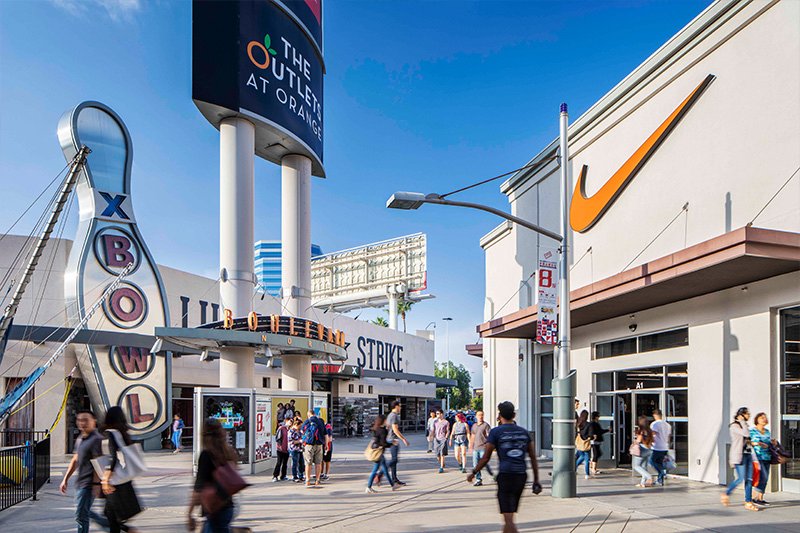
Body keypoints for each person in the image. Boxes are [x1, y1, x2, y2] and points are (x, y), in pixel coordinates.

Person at [467, 402, 541, 533]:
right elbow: (533, 458)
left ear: (499, 416)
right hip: (521, 476)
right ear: (514, 415)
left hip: (506, 475)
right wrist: (536, 480)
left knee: (508, 519)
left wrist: (474, 472)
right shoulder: (523, 432)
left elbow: (486, 457)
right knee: (510, 516)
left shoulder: (496, 432)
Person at [60, 409, 109, 533]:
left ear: (94, 421)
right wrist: (65, 479)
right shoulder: (81, 438)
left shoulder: (97, 439)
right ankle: (110, 525)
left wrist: (97, 485)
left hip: (89, 484)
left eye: (86, 420)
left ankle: (110, 526)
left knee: (80, 515)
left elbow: (99, 463)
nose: (82, 423)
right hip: (80, 482)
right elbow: (75, 460)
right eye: (79, 420)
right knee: (83, 512)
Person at [188, 418, 239, 532]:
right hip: (227, 505)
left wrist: (189, 513)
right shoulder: (229, 452)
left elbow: (198, 487)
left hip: (213, 507)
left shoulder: (206, 455)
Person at [101, 406, 139, 533]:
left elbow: (112, 458)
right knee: (112, 516)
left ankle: (131, 530)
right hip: (123, 479)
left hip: (114, 481)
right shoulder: (121, 433)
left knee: (113, 518)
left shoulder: (109, 433)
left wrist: (106, 479)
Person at [722, 407, 759, 511]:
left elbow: (747, 439)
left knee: (749, 479)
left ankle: (748, 501)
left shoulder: (744, 425)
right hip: (739, 456)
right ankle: (726, 493)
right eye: (747, 414)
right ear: (741, 415)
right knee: (741, 478)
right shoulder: (734, 426)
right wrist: (742, 421)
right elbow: (746, 434)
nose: (749, 416)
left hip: (747, 454)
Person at [365, 414, 399, 493]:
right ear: (383, 421)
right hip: (379, 453)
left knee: (385, 469)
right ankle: (368, 487)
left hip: (377, 451)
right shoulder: (383, 431)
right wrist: (392, 444)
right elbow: (383, 443)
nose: (387, 421)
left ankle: (393, 485)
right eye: (386, 420)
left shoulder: (376, 428)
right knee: (375, 470)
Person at [750, 412, 772, 506]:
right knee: (763, 477)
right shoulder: (752, 431)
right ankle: (755, 497)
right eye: (762, 417)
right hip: (757, 457)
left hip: (767, 456)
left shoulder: (767, 431)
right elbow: (748, 442)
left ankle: (760, 498)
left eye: (765, 417)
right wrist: (757, 443)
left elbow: (769, 443)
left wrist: (773, 443)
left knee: (765, 478)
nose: (764, 419)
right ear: (757, 420)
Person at [386, 400, 409, 486]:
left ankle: (394, 478)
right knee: (394, 459)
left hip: (390, 439)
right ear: (396, 406)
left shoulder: (389, 415)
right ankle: (381, 473)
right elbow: (395, 430)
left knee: (394, 460)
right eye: (399, 406)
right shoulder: (394, 416)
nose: (400, 408)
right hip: (393, 440)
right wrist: (403, 439)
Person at [301, 409, 326, 488]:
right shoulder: (321, 421)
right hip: (319, 444)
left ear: (308, 414)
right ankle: (317, 480)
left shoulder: (307, 421)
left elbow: (302, 431)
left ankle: (307, 480)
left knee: (308, 463)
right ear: (315, 414)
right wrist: (325, 444)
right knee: (318, 463)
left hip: (309, 444)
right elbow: (325, 434)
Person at [468, 410, 493, 486]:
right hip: (476, 448)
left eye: (482, 415)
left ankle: (491, 475)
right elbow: (473, 435)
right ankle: (478, 479)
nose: (480, 416)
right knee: (475, 464)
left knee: (484, 463)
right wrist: (470, 445)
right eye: (479, 415)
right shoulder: (474, 425)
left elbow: (489, 435)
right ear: (476, 416)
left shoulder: (486, 425)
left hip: (483, 447)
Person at [650, 409, 672, 486]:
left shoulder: (654, 424)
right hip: (665, 447)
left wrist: (649, 442)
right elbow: (669, 437)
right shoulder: (668, 425)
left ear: (655, 415)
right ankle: (660, 480)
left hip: (656, 447)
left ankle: (662, 473)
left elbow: (652, 434)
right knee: (660, 463)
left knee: (652, 461)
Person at [632, 416, 654, 487]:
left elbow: (639, 440)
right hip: (648, 449)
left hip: (641, 449)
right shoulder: (649, 430)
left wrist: (634, 443)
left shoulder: (642, 431)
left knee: (636, 466)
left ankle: (649, 477)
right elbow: (653, 440)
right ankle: (642, 483)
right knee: (644, 466)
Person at [586, 411, 609, 476]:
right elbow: (599, 431)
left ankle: (592, 465)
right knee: (596, 454)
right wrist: (607, 430)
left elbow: (600, 431)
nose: (599, 417)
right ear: (596, 417)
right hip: (594, 441)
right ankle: (593, 468)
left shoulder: (595, 423)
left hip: (597, 441)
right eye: (598, 416)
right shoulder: (593, 424)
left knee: (598, 454)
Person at [432, 409, 451, 473]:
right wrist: (431, 435)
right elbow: (433, 430)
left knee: (442, 453)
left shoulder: (446, 422)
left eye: (438, 413)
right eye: (436, 413)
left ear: (441, 414)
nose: (437, 415)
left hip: (443, 439)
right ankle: (442, 463)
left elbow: (448, 430)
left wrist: (446, 437)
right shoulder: (435, 422)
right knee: (437, 454)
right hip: (436, 439)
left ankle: (441, 467)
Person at [272, 416, 290, 482]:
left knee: (285, 463)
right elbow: (278, 438)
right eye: (289, 421)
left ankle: (283, 476)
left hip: (287, 449)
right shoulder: (281, 428)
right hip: (280, 449)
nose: (290, 423)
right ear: (286, 421)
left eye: (291, 421)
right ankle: (275, 476)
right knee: (279, 462)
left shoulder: (289, 429)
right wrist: (280, 446)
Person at [574, 410, 591, 480]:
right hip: (585, 443)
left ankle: (574, 468)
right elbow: (590, 434)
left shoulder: (579, 424)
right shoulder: (588, 424)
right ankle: (587, 474)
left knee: (581, 456)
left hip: (579, 443)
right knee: (586, 459)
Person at [289, 419, 305, 483]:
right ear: (296, 425)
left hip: (300, 449)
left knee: (301, 463)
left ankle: (301, 475)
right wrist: (299, 441)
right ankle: (294, 476)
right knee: (295, 463)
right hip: (294, 449)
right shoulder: (291, 431)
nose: (300, 427)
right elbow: (291, 442)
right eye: (300, 426)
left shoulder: (299, 431)